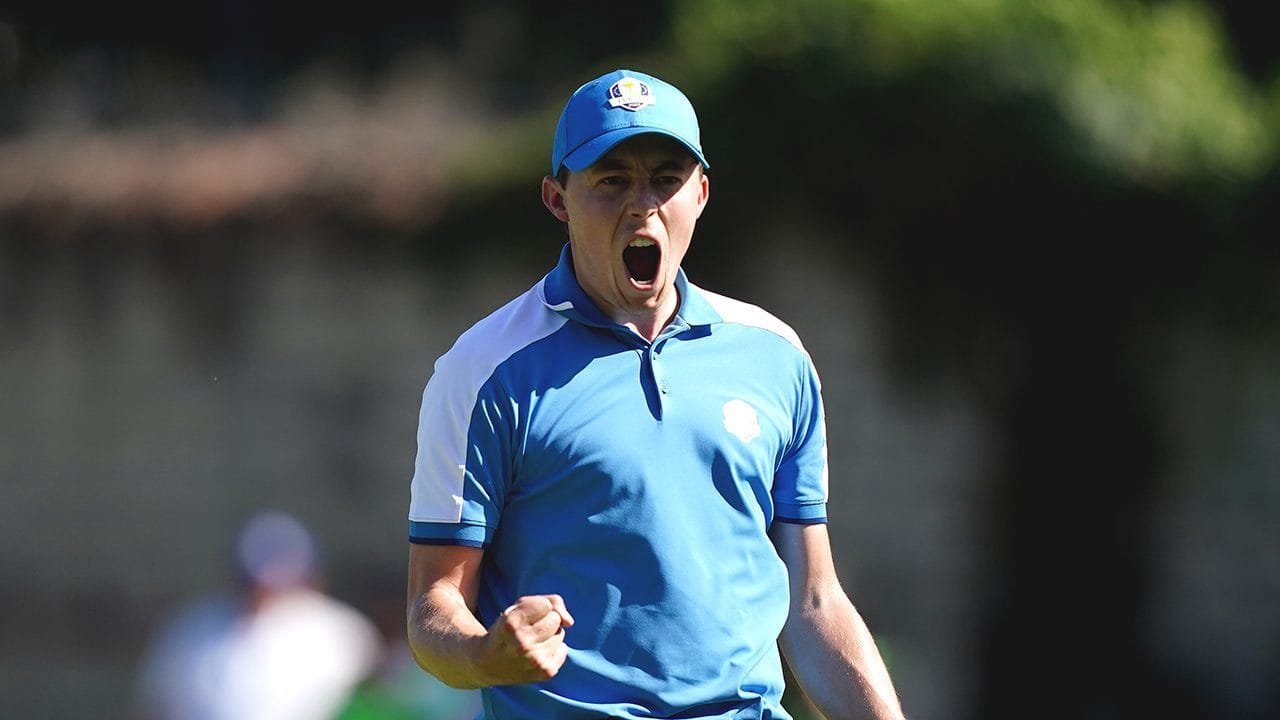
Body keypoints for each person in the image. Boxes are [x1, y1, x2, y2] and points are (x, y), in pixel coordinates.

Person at [405, 68, 907, 720]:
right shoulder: (483, 370)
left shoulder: (775, 356)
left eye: (665, 180)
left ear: (701, 193)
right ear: (558, 199)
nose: (643, 205)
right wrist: (485, 655)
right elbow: (432, 608)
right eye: (611, 181)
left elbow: (814, 602)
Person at [136, 510, 383, 720]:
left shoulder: (344, 632)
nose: (265, 594)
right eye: (256, 584)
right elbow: (155, 707)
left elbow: (376, 704)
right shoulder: (190, 627)